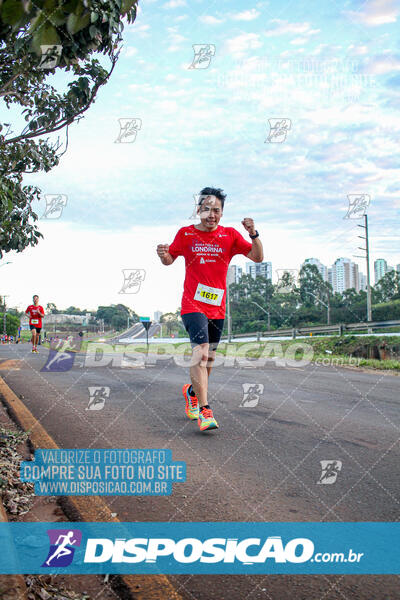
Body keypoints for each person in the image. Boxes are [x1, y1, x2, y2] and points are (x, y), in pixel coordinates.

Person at [157, 187, 263, 432]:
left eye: (216, 210)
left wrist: (253, 234)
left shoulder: (230, 236)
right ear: (198, 211)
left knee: (210, 359)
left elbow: (257, 257)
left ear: (222, 213)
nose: (212, 214)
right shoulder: (186, 234)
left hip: (217, 307)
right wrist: (163, 255)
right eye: (207, 209)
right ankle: (205, 410)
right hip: (192, 304)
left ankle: (192, 392)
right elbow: (169, 259)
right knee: (201, 354)